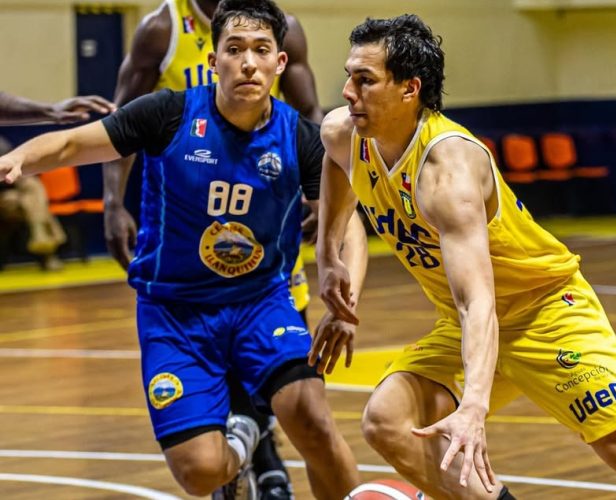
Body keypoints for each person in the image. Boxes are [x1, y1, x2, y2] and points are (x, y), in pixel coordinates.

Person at [313, 14, 616, 499]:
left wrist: (473, 406)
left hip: (544, 313)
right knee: (387, 421)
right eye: (349, 76)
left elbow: (477, 301)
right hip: (467, 326)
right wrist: (329, 257)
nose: (347, 91)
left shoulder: (447, 171)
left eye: (365, 80)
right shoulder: (343, 133)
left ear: (410, 89)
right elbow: (337, 165)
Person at [0, 1, 361, 498]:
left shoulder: (301, 138)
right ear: (213, 61)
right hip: (175, 310)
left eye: (261, 50)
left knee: (314, 423)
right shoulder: (167, 113)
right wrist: (20, 157)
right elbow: (72, 145)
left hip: (260, 303)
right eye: (234, 50)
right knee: (199, 472)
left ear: (279, 62)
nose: (248, 63)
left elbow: (348, 220)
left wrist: (340, 284)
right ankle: (242, 441)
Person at [101, 0, 334, 497]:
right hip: (191, 210)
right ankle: (249, 453)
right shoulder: (161, 28)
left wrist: (322, 190)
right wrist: (113, 202)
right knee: (210, 341)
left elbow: (311, 110)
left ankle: (262, 452)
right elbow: (121, 122)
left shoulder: (281, 26)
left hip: (264, 201)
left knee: (275, 342)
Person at [0, 92, 115, 267]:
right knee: (30, 199)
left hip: (10, 196)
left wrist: (51, 110)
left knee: (28, 190)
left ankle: (41, 236)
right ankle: (48, 239)